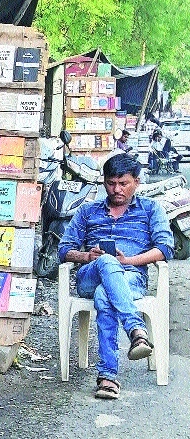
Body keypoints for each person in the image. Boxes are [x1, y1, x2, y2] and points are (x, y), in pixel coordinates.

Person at [58, 154, 173, 400]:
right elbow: (63, 250)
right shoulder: (88, 211)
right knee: (105, 264)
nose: (117, 189)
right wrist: (88, 257)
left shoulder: (151, 209)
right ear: (104, 183)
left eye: (123, 184)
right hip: (90, 275)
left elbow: (165, 249)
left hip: (131, 277)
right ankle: (135, 330)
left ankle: (108, 377)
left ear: (137, 182)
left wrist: (128, 261)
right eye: (111, 183)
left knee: (104, 295)